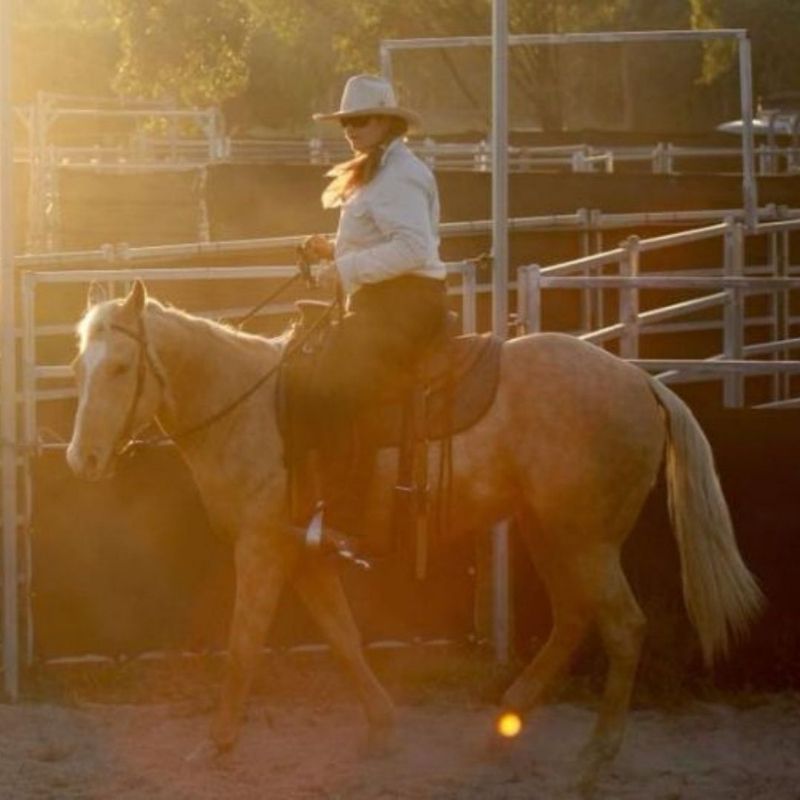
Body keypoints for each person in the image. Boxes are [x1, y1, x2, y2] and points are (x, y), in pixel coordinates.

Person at [298, 74, 448, 549]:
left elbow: (412, 246)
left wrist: (344, 269)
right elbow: (387, 237)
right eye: (346, 122)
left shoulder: (397, 174)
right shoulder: (381, 169)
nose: (350, 129)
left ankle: (347, 515)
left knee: (333, 388)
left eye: (359, 120)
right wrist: (333, 250)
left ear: (386, 121)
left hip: (403, 304)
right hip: (390, 299)